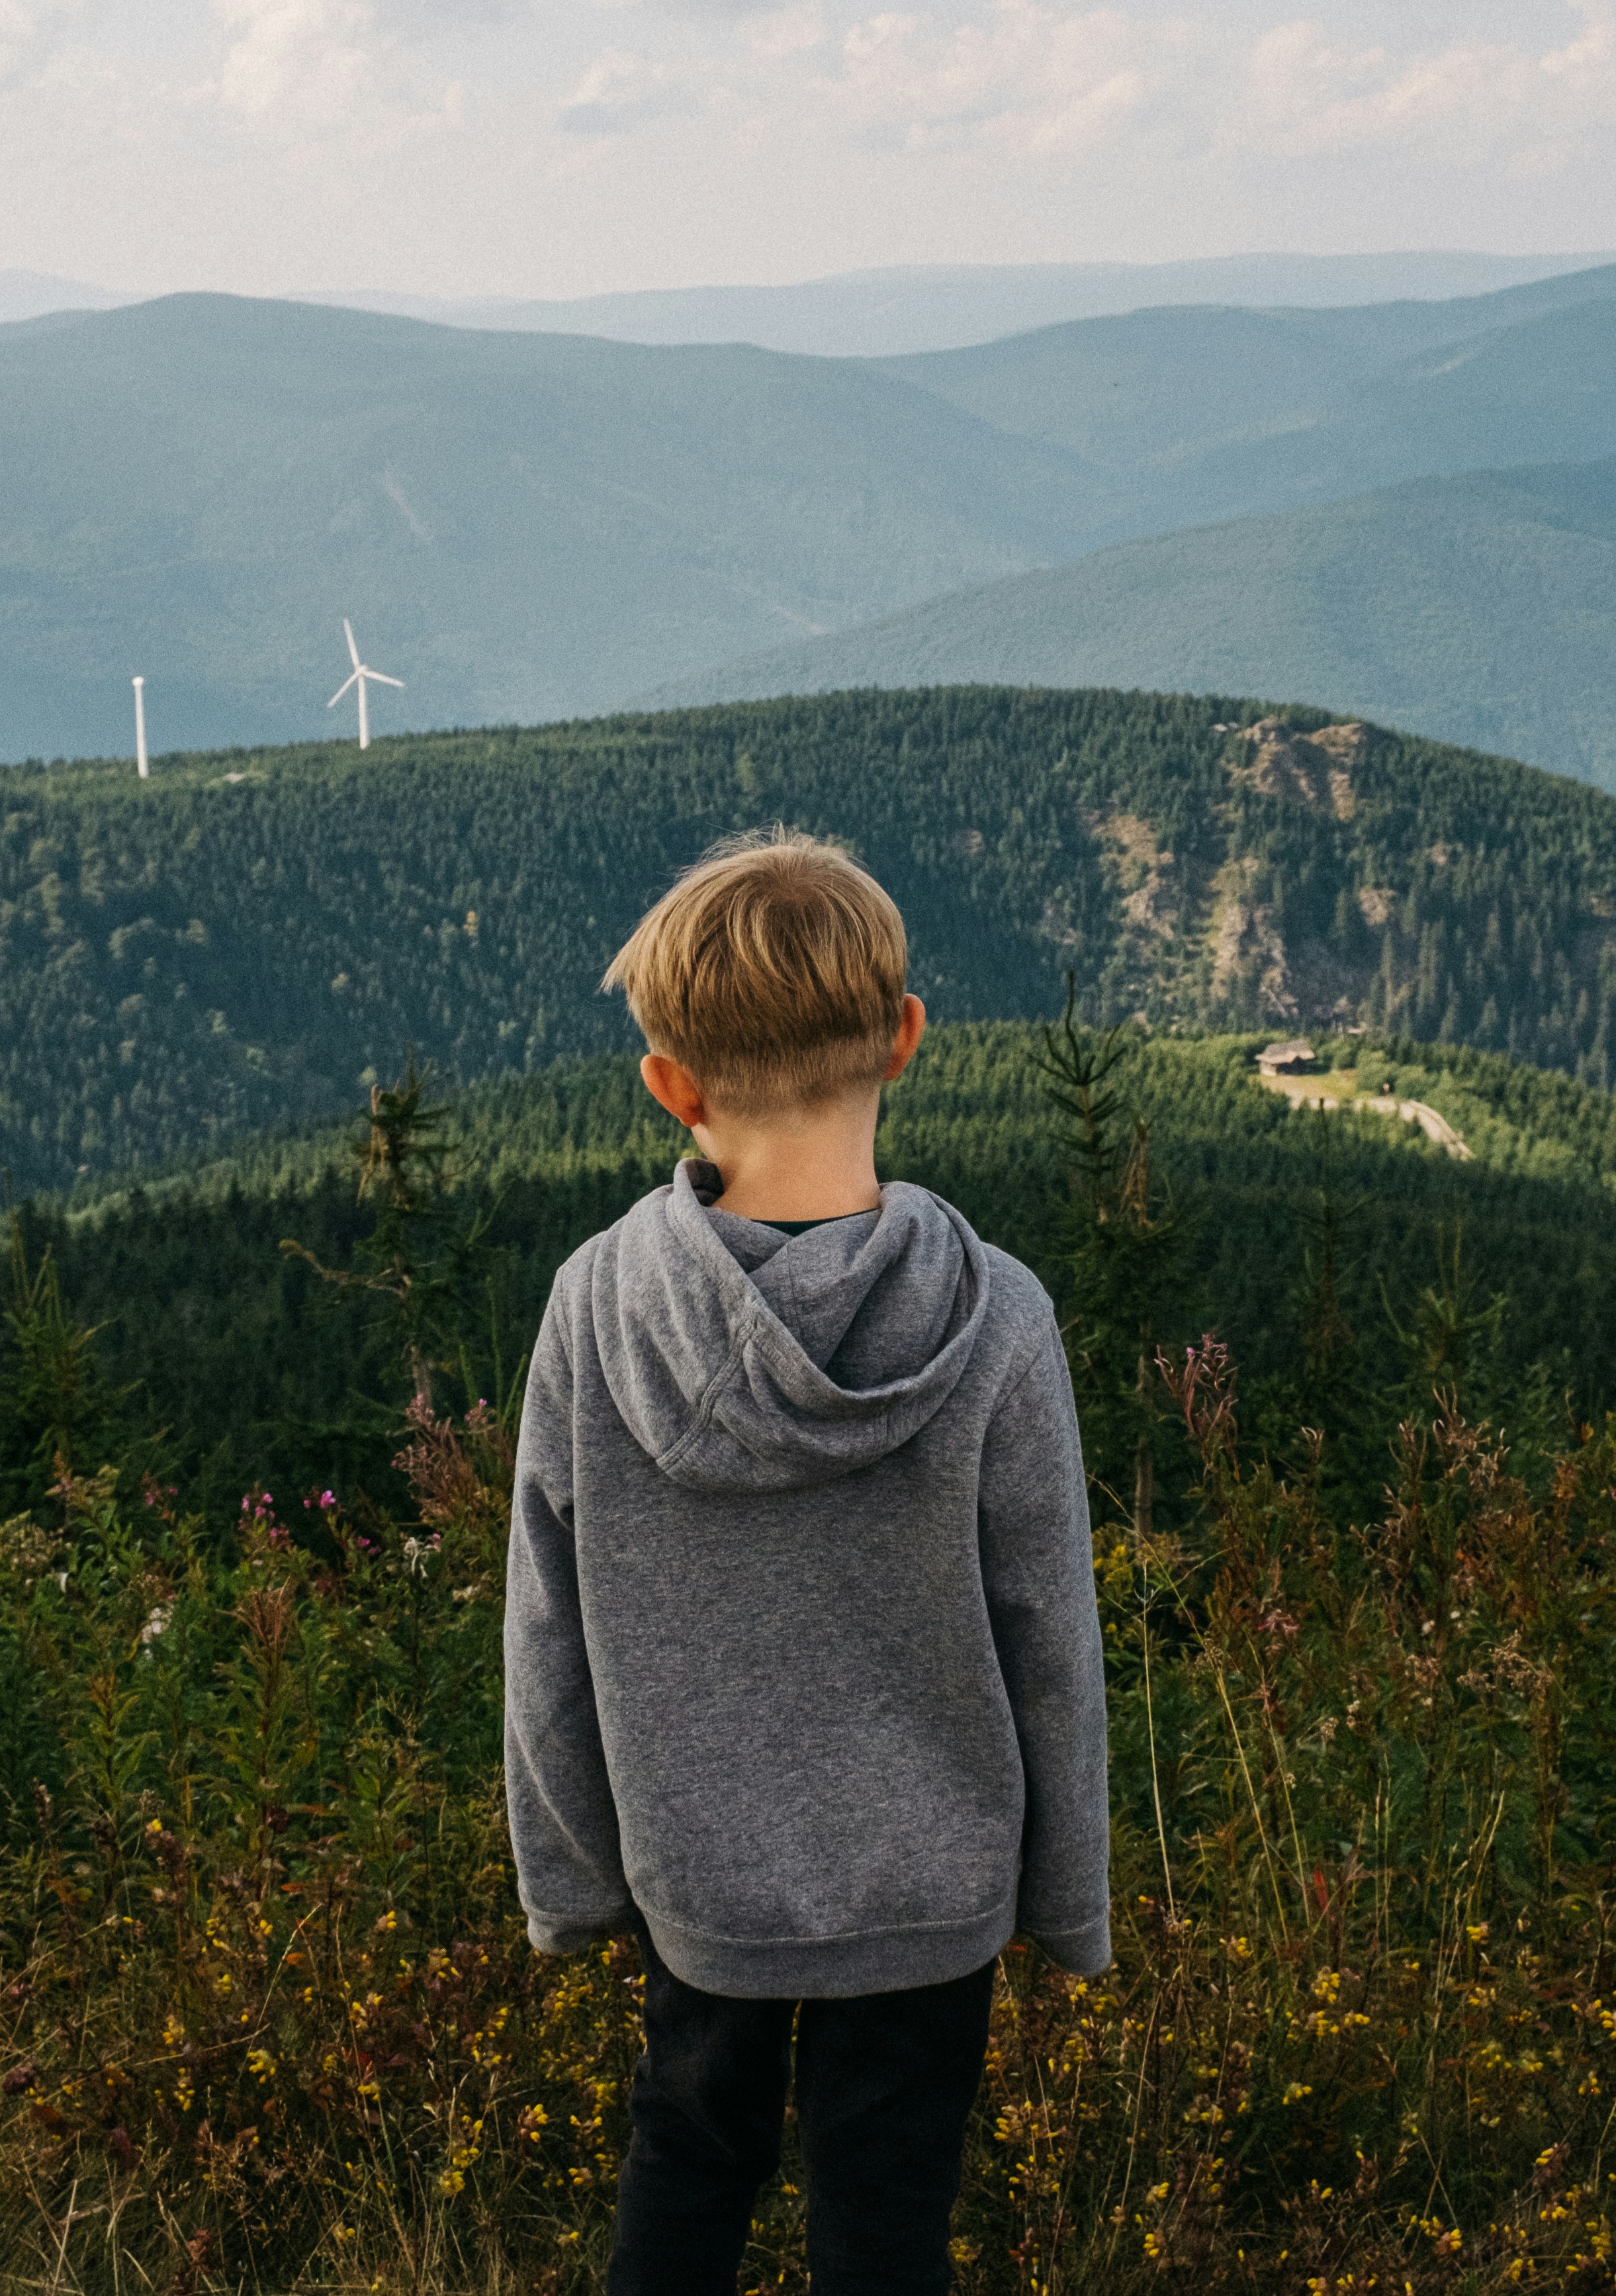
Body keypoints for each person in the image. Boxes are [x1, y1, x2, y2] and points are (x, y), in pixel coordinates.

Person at [504, 827, 1112, 2296]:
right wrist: (1068, 1895)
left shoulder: (598, 1308)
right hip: (932, 1886)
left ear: (672, 1081)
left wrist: (572, 1881)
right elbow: (1052, 1633)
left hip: (699, 1884)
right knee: (888, 2212)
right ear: (904, 1037)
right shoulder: (1000, 1320)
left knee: (686, 2167)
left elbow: (548, 1624)